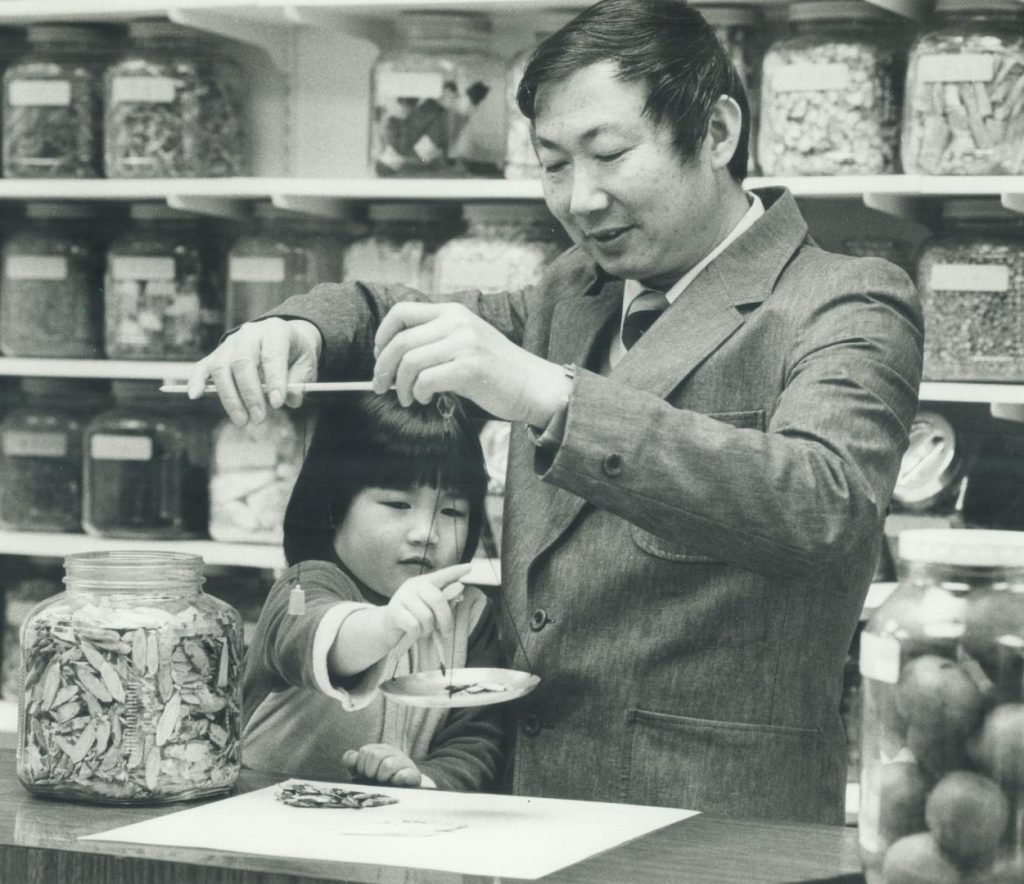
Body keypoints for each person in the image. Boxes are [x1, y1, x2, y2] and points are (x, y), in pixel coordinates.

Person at [192, 0, 923, 823]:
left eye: (609, 153)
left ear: (716, 132)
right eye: (552, 164)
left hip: (715, 818)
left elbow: (820, 503)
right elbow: (389, 307)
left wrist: (548, 394)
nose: (580, 199)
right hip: (526, 812)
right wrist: (298, 326)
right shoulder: (570, 293)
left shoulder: (845, 298)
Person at [242, 392, 506, 791]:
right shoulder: (304, 586)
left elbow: (475, 740)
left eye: (452, 511)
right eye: (398, 504)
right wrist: (385, 623)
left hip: (399, 826)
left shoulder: (469, 616)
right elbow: (317, 636)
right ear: (333, 505)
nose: (426, 534)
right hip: (264, 817)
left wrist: (424, 779)